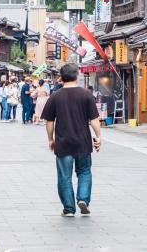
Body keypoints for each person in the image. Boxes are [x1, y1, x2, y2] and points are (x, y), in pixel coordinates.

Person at [41, 63, 102, 217]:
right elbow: (94, 119)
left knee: (64, 176)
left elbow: (49, 121)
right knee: (85, 172)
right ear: (76, 76)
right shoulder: (86, 95)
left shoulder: (55, 96)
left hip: (63, 142)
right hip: (83, 141)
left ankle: (69, 209)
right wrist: (98, 137)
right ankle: (83, 199)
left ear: (61, 77)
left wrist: (50, 139)